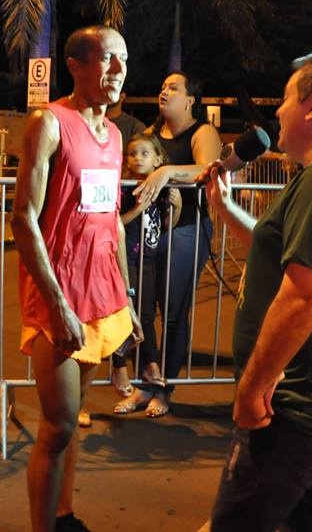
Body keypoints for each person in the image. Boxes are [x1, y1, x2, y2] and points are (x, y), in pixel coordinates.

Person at [202, 51, 312, 531]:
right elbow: (278, 246)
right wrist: (224, 208)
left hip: (301, 408)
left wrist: (253, 387)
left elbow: (304, 297)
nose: (276, 112)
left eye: (284, 99)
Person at [12, 25, 141, 532]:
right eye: (108, 59)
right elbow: (23, 218)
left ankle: (64, 515)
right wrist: (58, 304)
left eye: (123, 61)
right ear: (76, 64)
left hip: (102, 293)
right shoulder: (48, 123)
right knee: (58, 425)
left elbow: (108, 220)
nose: (117, 71)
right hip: (58, 297)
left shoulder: (114, 134)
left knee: (76, 419)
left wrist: (126, 297)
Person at [132, 71, 222, 417]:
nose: (164, 91)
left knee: (172, 313)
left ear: (190, 100)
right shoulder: (152, 134)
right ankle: (144, 383)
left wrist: (167, 172)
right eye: (163, 85)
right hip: (150, 231)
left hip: (186, 231)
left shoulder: (203, 132)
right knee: (141, 309)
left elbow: (206, 168)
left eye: (174, 87)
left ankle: (164, 388)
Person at [112, 133, 181, 417]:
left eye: (143, 153)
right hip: (126, 257)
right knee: (126, 314)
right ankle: (130, 366)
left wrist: (176, 207)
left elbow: (166, 226)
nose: (137, 158)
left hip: (148, 257)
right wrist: (139, 207)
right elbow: (116, 222)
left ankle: (149, 366)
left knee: (146, 315)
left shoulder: (161, 189)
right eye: (132, 153)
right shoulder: (126, 188)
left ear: (158, 160)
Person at [105, 91, 147, 398]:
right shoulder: (88, 123)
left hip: (130, 240)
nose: (135, 159)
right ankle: (117, 366)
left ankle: (134, 365)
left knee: (129, 302)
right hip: (103, 230)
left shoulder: (133, 126)